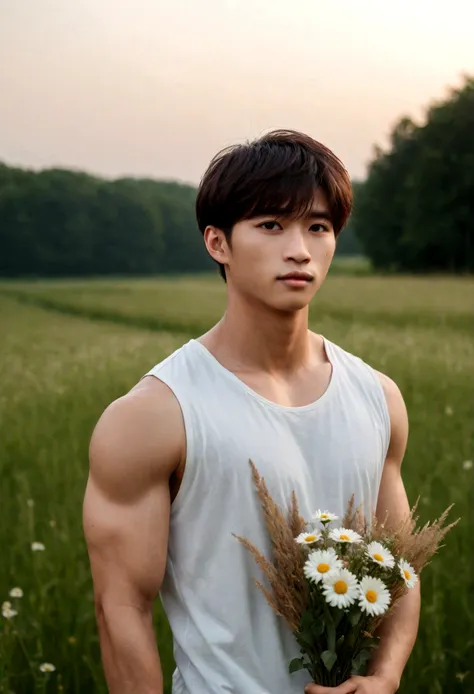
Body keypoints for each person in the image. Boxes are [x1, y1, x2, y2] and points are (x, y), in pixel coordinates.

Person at [83, 129, 420, 694]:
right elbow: (120, 611)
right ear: (218, 243)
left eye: (318, 226)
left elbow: (399, 569)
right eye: (271, 225)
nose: (300, 249)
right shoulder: (154, 414)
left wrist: (384, 677)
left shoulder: (378, 396)